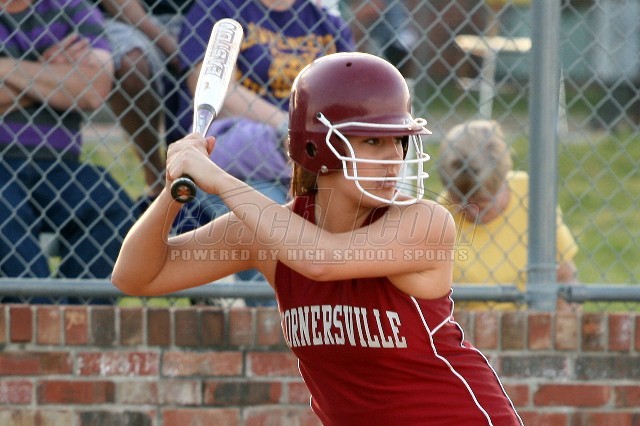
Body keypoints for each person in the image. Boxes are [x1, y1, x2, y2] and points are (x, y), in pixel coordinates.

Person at [113, 52, 523, 425]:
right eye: (372, 141)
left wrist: (218, 179)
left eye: (398, 140)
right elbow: (136, 276)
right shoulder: (270, 233)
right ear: (316, 146)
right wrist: (177, 185)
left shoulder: (423, 221)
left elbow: (321, 260)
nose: (394, 158)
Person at [168, 0, 355, 306]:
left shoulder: (325, 22)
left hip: (311, 158)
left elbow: (350, 98)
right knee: (274, 227)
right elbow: (218, 92)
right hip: (240, 160)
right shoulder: (219, 9)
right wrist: (288, 128)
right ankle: (279, 321)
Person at [0, 0, 134, 287]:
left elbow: (94, 88)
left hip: (60, 166)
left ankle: (76, 310)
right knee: (4, 214)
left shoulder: (71, 7)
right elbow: (77, 85)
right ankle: (36, 307)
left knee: (113, 207)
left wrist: (7, 68)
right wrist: (50, 73)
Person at [437, 119, 579, 310]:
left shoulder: (530, 195)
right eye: (458, 200)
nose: (469, 210)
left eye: (481, 203)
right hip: (462, 325)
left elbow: (565, 278)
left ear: (503, 181)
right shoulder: (437, 217)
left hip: (528, 321)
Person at [92, 0, 194, 212]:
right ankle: (158, 181)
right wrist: (171, 48)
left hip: (199, 13)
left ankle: (198, 181)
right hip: (126, 19)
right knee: (131, 64)